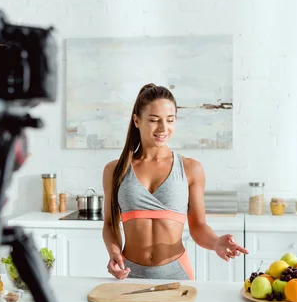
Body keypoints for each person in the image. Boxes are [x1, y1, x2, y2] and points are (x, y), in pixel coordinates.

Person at [102, 83, 249, 280]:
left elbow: (198, 226)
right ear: (136, 121)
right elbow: (111, 224)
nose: (163, 128)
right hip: (128, 274)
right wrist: (114, 253)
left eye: (170, 120)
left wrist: (216, 242)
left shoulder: (190, 169)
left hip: (177, 273)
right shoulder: (115, 170)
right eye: (154, 120)